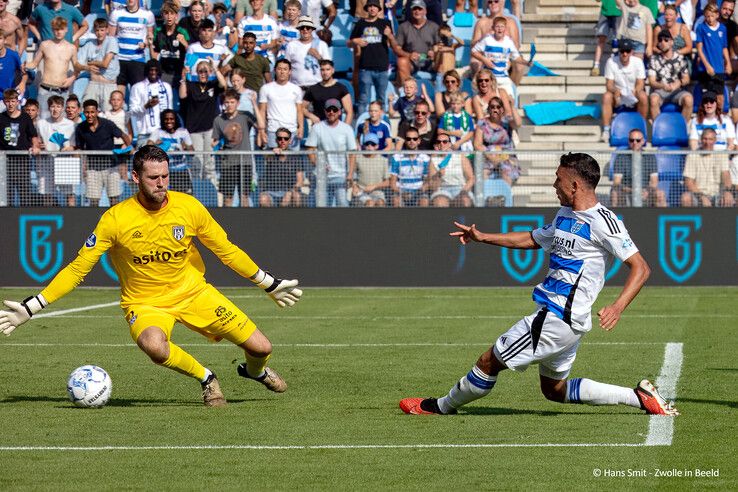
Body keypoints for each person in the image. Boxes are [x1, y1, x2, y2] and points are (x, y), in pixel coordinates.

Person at [0, 145, 303, 407]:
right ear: (135, 178)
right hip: (145, 303)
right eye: (153, 178)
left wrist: (268, 283)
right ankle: (207, 378)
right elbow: (78, 268)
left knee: (261, 348)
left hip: (194, 293)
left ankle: (255, 372)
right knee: (155, 346)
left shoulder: (189, 207)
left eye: (165, 176)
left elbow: (226, 250)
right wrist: (31, 307)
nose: (161, 184)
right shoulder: (115, 219)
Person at [399, 152, 679, 417]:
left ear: (574, 184)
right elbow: (533, 239)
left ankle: (441, 406)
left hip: (556, 317)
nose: (554, 184)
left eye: (558, 178)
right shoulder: (565, 215)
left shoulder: (604, 221)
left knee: (488, 362)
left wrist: (617, 307)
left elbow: (641, 268)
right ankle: (639, 397)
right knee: (554, 390)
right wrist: (483, 237)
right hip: (567, 320)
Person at [75, 99, 133, 206]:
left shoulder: (108, 124)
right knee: (93, 201)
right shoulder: (80, 128)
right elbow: (79, 148)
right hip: (92, 168)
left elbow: (124, 135)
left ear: (97, 112)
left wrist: (129, 148)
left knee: (114, 200)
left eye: (92, 112)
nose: (89, 115)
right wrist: (82, 166)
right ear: (84, 112)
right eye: (87, 112)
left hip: (111, 167)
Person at [179, 59, 226, 186]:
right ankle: (197, 191)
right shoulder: (192, 85)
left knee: (209, 162)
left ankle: (212, 190)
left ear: (209, 72)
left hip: (210, 128)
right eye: (200, 71)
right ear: (197, 73)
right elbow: (182, 95)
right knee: (197, 161)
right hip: (194, 129)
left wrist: (215, 68)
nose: (203, 74)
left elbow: (224, 84)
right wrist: (183, 77)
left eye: (206, 71)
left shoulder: (213, 85)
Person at [24, 16, 80, 119]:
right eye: (56, 29)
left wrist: (72, 78)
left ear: (66, 29)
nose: (58, 32)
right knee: (42, 122)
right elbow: (34, 63)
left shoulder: (72, 48)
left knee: (61, 123)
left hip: (62, 91)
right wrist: (24, 65)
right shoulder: (44, 45)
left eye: (61, 29)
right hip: (45, 89)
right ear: (52, 29)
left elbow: (77, 68)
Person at [304, 98, 357, 207]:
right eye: (329, 110)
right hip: (321, 176)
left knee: (342, 204)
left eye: (334, 109)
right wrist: (319, 164)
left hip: (340, 175)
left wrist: (350, 174)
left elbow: (352, 154)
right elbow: (310, 150)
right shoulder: (317, 128)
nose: (331, 112)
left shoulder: (347, 129)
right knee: (321, 205)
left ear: (339, 112)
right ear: (325, 111)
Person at [348, 0, 395, 115]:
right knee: (364, 100)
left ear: (379, 9)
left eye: (375, 6)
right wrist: (355, 41)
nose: (372, 8)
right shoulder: (360, 23)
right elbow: (349, 43)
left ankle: (382, 125)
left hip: (382, 67)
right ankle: (361, 124)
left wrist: (390, 35)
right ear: (367, 8)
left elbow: (393, 45)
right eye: (370, 6)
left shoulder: (385, 23)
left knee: (381, 100)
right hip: (365, 68)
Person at [212, 88, 255, 207]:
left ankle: (246, 223)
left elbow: (261, 125)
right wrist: (215, 145)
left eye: (232, 102)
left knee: (244, 197)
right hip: (228, 163)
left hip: (245, 162)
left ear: (237, 103)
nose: (229, 105)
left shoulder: (245, 116)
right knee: (228, 197)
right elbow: (214, 140)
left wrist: (254, 104)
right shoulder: (218, 120)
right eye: (227, 102)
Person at [600, 39, 648, 142]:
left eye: (627, 51)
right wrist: (615, 91)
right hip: (618, 95)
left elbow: (641, 83)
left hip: (633, 94)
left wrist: (636, 91)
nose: (625, 54)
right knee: (606, 96)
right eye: (622, 51)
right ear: (619, 51)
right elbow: (609, 84)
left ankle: (641, 129)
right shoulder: (611, 61)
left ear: (631, 52)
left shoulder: (638, 62)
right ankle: (606, 130)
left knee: (643, 96)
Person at [0, 88, 40, 206]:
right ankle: (7, 219)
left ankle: (24, 217)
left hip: (21, 161)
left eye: (13, 101)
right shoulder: (1, 118)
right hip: (4, 161)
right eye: (8, 101)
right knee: (7, 193)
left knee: (24, 193)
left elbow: (33, 135)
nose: (10, 104)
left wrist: (35, 146)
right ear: (4, 102)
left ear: (17, 102)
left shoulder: (25, 117)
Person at [471, 16, 531, 94]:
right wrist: (485, 60)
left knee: (510, 100)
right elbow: (474, 51)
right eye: (497, 26)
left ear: (505, 29)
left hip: (503, 77)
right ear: (493, 28)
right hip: (489, 78)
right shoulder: (487, 40)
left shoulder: (509, 42)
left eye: (502, 26)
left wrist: (527, 62)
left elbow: (516, 57)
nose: (499, 29)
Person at [36, 94, 77, 206]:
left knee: (70, 195)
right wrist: (39, 146)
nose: (55, 109)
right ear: (49, 108)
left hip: (65, 162)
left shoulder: (71, 125)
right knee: (47, 196)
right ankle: (49, 220)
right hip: (46, 163)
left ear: (62, 108)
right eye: (52, 106)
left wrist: (69, 148)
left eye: (58, 106)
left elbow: (74, 146)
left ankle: (73, 221)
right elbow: (37, 142)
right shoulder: (41, 124)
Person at [609, 128, 666, 207]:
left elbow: (654, 182)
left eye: (638, 140)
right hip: (626, 191)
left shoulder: (650, 157)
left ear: (643, 141)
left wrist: (646, 191)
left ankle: (659, 218)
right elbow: (617, 182)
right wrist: (633, 191)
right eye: (632, 140)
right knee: (615, 193)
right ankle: (614, 219)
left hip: (645, 191)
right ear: (628, 141)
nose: (635, 143)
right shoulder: (621, 157)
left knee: (660, 194)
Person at [474, 95, 521, 188]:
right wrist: (490, 156)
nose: (495, 109)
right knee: (482, 174)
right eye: (492, 107)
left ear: (502, 109)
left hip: (506, 156)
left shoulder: (507, 121)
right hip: (488, 155)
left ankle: (504, 197)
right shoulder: (482, 123)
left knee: (506, 172)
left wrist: (512, 106)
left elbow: (518, 124)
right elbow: (477, 144)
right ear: (488, 109)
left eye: (498, 107)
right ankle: (484, 198)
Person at [108, 0, 155, 93]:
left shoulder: (147, 14)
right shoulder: (116, 13)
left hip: (137, 59)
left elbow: (150, 36)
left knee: (138, 94)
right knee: (118, 95)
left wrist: (145, 44)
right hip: (119, 59)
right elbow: (110, 38)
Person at [681, 128, 735, 207]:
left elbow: (726, 176)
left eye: (710, 139)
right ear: (700, 140)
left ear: (715, 140)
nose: (707, 142)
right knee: (685, 198)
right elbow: (689, 182)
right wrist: (702, 196)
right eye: (705, 139)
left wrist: (727, 191)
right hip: (698, 194)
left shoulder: (722, 155)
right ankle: (688, 219)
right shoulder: (692, 156)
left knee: (728, 198)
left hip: (717, 194)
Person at [147, 108, 195, 194]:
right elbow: (148, 147)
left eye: (171, 119)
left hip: (181, 170)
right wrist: (156, 145)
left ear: (175, 120)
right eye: (166, 119)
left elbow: (192, 152)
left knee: (185, 196)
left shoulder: (183, 132)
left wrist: (186, 146)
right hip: (164, 172)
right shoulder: (158, 132)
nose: (169, 121)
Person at [77, 17, 120, 114]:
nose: (99, 33)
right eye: (97, 30)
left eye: (102, 30)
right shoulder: (90, 44)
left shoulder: (111, 41)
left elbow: (105, 64)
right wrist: (86, 67)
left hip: (109, 84)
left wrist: (91, 62)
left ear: (107, 30)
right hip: (93, 83)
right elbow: (78, 64)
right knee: (85, 111)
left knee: (109, 115)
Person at [647, 30, 692, 122]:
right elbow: (652, 81)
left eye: (666, 40)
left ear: (672, 42)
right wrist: (663, 86)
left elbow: (686, 78)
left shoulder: (680, 58)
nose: (662, 42)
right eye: (660, 40)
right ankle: (659, 130)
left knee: (689, 99)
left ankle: (681, 128)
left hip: (676, 91)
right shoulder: (654, 59)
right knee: (653, 99)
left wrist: (678, 83)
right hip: (660, 90)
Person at [258, 58, 303, 149]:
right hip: (273, 131)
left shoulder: (296, 89)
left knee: (294, 162)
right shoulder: (266, 88)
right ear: (275, 70)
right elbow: (262, 111)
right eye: (279, 69)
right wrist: (262, 131)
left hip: (292, 130)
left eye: (285, 69)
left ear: (290, 71)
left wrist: (301, 127)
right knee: (272, 162)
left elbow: (299, 110)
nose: (282, 72)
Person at [694, 3, 731, 111]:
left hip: (719, 68)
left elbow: (724, 47)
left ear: (717, 15)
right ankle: (704, 122)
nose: (709, 19)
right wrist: (707, 66)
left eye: (711, 16)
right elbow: (699, 49)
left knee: (719, 98)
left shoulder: (723, 29)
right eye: (707, 16)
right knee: (706, 98)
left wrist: (728, 63)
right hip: (705, 69)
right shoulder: (701, 28)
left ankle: (719, 121)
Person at [393, 0, 439, 85]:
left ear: (425, 11)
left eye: (420, 9)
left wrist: (435, 52)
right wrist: (409, 55)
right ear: (411, 11)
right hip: (412, 62)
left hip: (430, 61)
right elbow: (396, 49)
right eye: (414, 9)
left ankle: (442, 91)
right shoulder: (403, 27)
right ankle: (406, 92)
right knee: (401, 61)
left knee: (445, 58)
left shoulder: (434, 26)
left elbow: (440, 45)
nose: (417, 11)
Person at [129, 59, 174, 146]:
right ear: (147, 71)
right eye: (151, 70)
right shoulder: (137, 87)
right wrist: (146, 106)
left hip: (163, 132)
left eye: (156, 70)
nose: (153, 73)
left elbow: (170, 109)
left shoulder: (166, 87)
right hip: (145, 133)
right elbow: (132, 111)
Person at [259, 127, 306, 207]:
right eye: (280, 138)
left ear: (290, 140)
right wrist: (272, 151)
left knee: (296, 196)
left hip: (288, 192)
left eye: (286, 138)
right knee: (263, 199)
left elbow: (300, 181)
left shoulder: (296, 157)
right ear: (276, 140)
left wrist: (291, 191)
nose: (283, 141)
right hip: (271, 191)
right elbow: (263, 151)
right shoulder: (270, 153)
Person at [389, 126, 431, 207]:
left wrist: (419, 191)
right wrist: (402, 192)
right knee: (396, 201)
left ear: (419, 141)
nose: (411, 141)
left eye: (414, 139)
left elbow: (427, 181)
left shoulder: (425, 158)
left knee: (424, 201)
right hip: (401, 191)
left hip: (418, 191)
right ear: (405, 141)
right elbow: (392, 183)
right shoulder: (396, 158)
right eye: (408, 139)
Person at [284, 16, 330, 90]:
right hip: (296, 88)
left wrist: (318, 57)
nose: (305, 30)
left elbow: (329, 68)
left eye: (308, 27)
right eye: (302, 27)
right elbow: (286, 68)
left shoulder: (322, 45)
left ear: (312, 29)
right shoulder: (291, 45)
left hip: (317, 88)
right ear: (299, 29)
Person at [428, 134, 474, 207]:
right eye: (439, 142)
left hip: (461, 188)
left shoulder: (460, 157)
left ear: (449, 144)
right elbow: (432, 186)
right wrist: (438, 176)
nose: (441, 144)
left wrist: (464, 191)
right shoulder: (433, 160)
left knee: (464, 201)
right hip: (442, 190)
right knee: (440, 202)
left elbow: (471, 178)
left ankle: (463, 218)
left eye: (445, 142)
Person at [151, 1, 190, 87]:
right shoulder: (158, 31)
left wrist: (185, 43)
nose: (169, 17)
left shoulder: (182, 32)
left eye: (172, 13)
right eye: (166, 13)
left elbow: (190, 52)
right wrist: (150, 44)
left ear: (176, 16)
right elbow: (154, 54)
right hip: (163, 73)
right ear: (162, 15)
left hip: (179, 72)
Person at [303, 59, 353, 124]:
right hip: (319, 127)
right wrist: (311, 116)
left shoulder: (341, 88)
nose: (325, 72)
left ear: (333, 70)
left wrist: (345, 130)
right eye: (322, 70)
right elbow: (302, 108)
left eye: (328, 69)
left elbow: (349, 112)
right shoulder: (313, 89)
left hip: (336, 128)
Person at [232, 0, 279, 66]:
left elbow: (275, 43)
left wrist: (267, 46)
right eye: (252, 1)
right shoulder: (244, 22)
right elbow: (240, 44)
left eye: (257, 0)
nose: (254, 2)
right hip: (248, 60)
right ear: (250, 3)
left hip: (266, 59)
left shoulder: (271, 21)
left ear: (262, 2)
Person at [351, 132, 390, 207]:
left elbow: (388, 182)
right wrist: (354, 186)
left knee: (380, 203)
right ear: (363, 146)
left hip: (378, 191)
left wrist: (374, 187)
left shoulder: (383, 160)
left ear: (377, 146)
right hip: (362, 191)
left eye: (373, 144)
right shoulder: (358, 158)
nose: (369, 146)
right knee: (370, 204)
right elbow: (352, 176)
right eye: (367, 144)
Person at [591, 0, 621, 76]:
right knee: (601, 38)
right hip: (605, 12)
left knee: (616, 40)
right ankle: (596, 65)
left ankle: (616, 65)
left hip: (618, 13)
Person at [0, 27, 25, 99]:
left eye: (0, 39)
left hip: (10, 97)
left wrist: (22, 83)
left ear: (5, 40)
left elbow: (24, 73)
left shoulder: (13, 55)